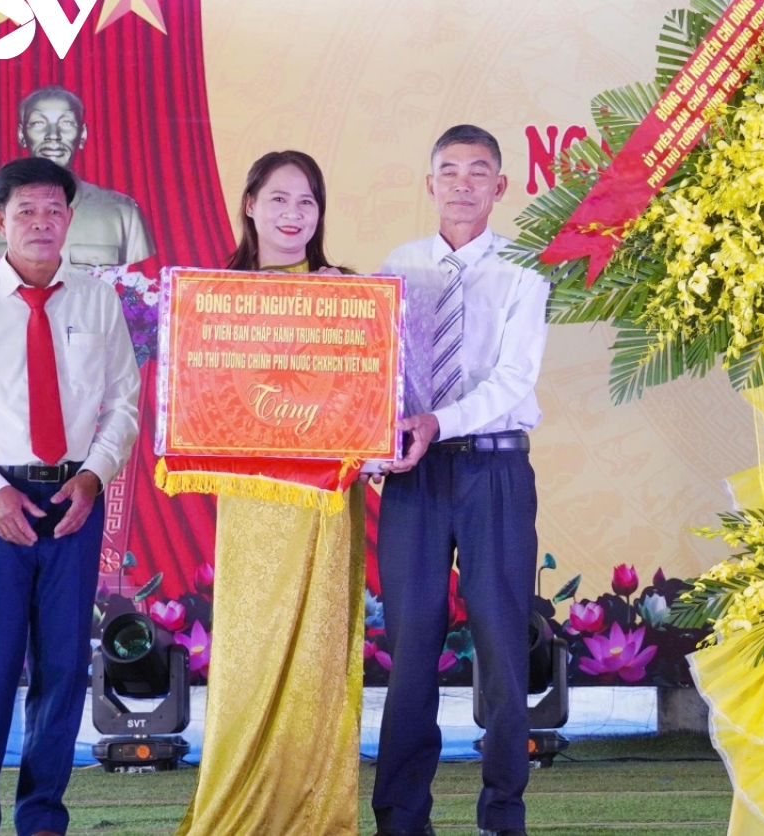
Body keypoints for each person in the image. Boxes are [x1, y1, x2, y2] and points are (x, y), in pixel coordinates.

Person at [0, 157, 141, 836]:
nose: (41, 223)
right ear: (0, 220)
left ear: (70, 219)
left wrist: (92, 477)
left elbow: (124, 405)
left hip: (75, 497)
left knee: (63, 667)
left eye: (53, 211)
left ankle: (43, 816)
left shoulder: (98, 300)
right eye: (26, 212)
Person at [172, 151, 367, 836]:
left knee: (318, 650)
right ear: (250, 204)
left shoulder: (349, 293)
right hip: (255, 499)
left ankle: (313, 812)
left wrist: (349, 316)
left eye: (307, 201)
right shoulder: (215, 297)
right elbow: (202, 403)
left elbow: (365, 400)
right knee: (250, 651)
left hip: (324, 499)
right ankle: (238, 804)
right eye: (279, 199)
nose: (293, 214)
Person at [371, 125, 550, 836]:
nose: (463, 183)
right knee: (411, 646)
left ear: (500, 186)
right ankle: (400, 817)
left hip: (493, 469)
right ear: (430, 184)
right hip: (415, 476)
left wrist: (436, 422)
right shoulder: (399, 266)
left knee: (502, 643)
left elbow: (513, 379)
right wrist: (375, 438)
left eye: (479, 172)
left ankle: (503, 813)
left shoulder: (524, 270)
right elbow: (377, 369)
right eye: (449, 170)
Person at [0, 85, 155, 267]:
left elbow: (144, 286)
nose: (53, 135)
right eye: (38, 123)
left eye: (66, 123)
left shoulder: (123, 213)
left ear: (82, 134)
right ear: (22, 135)